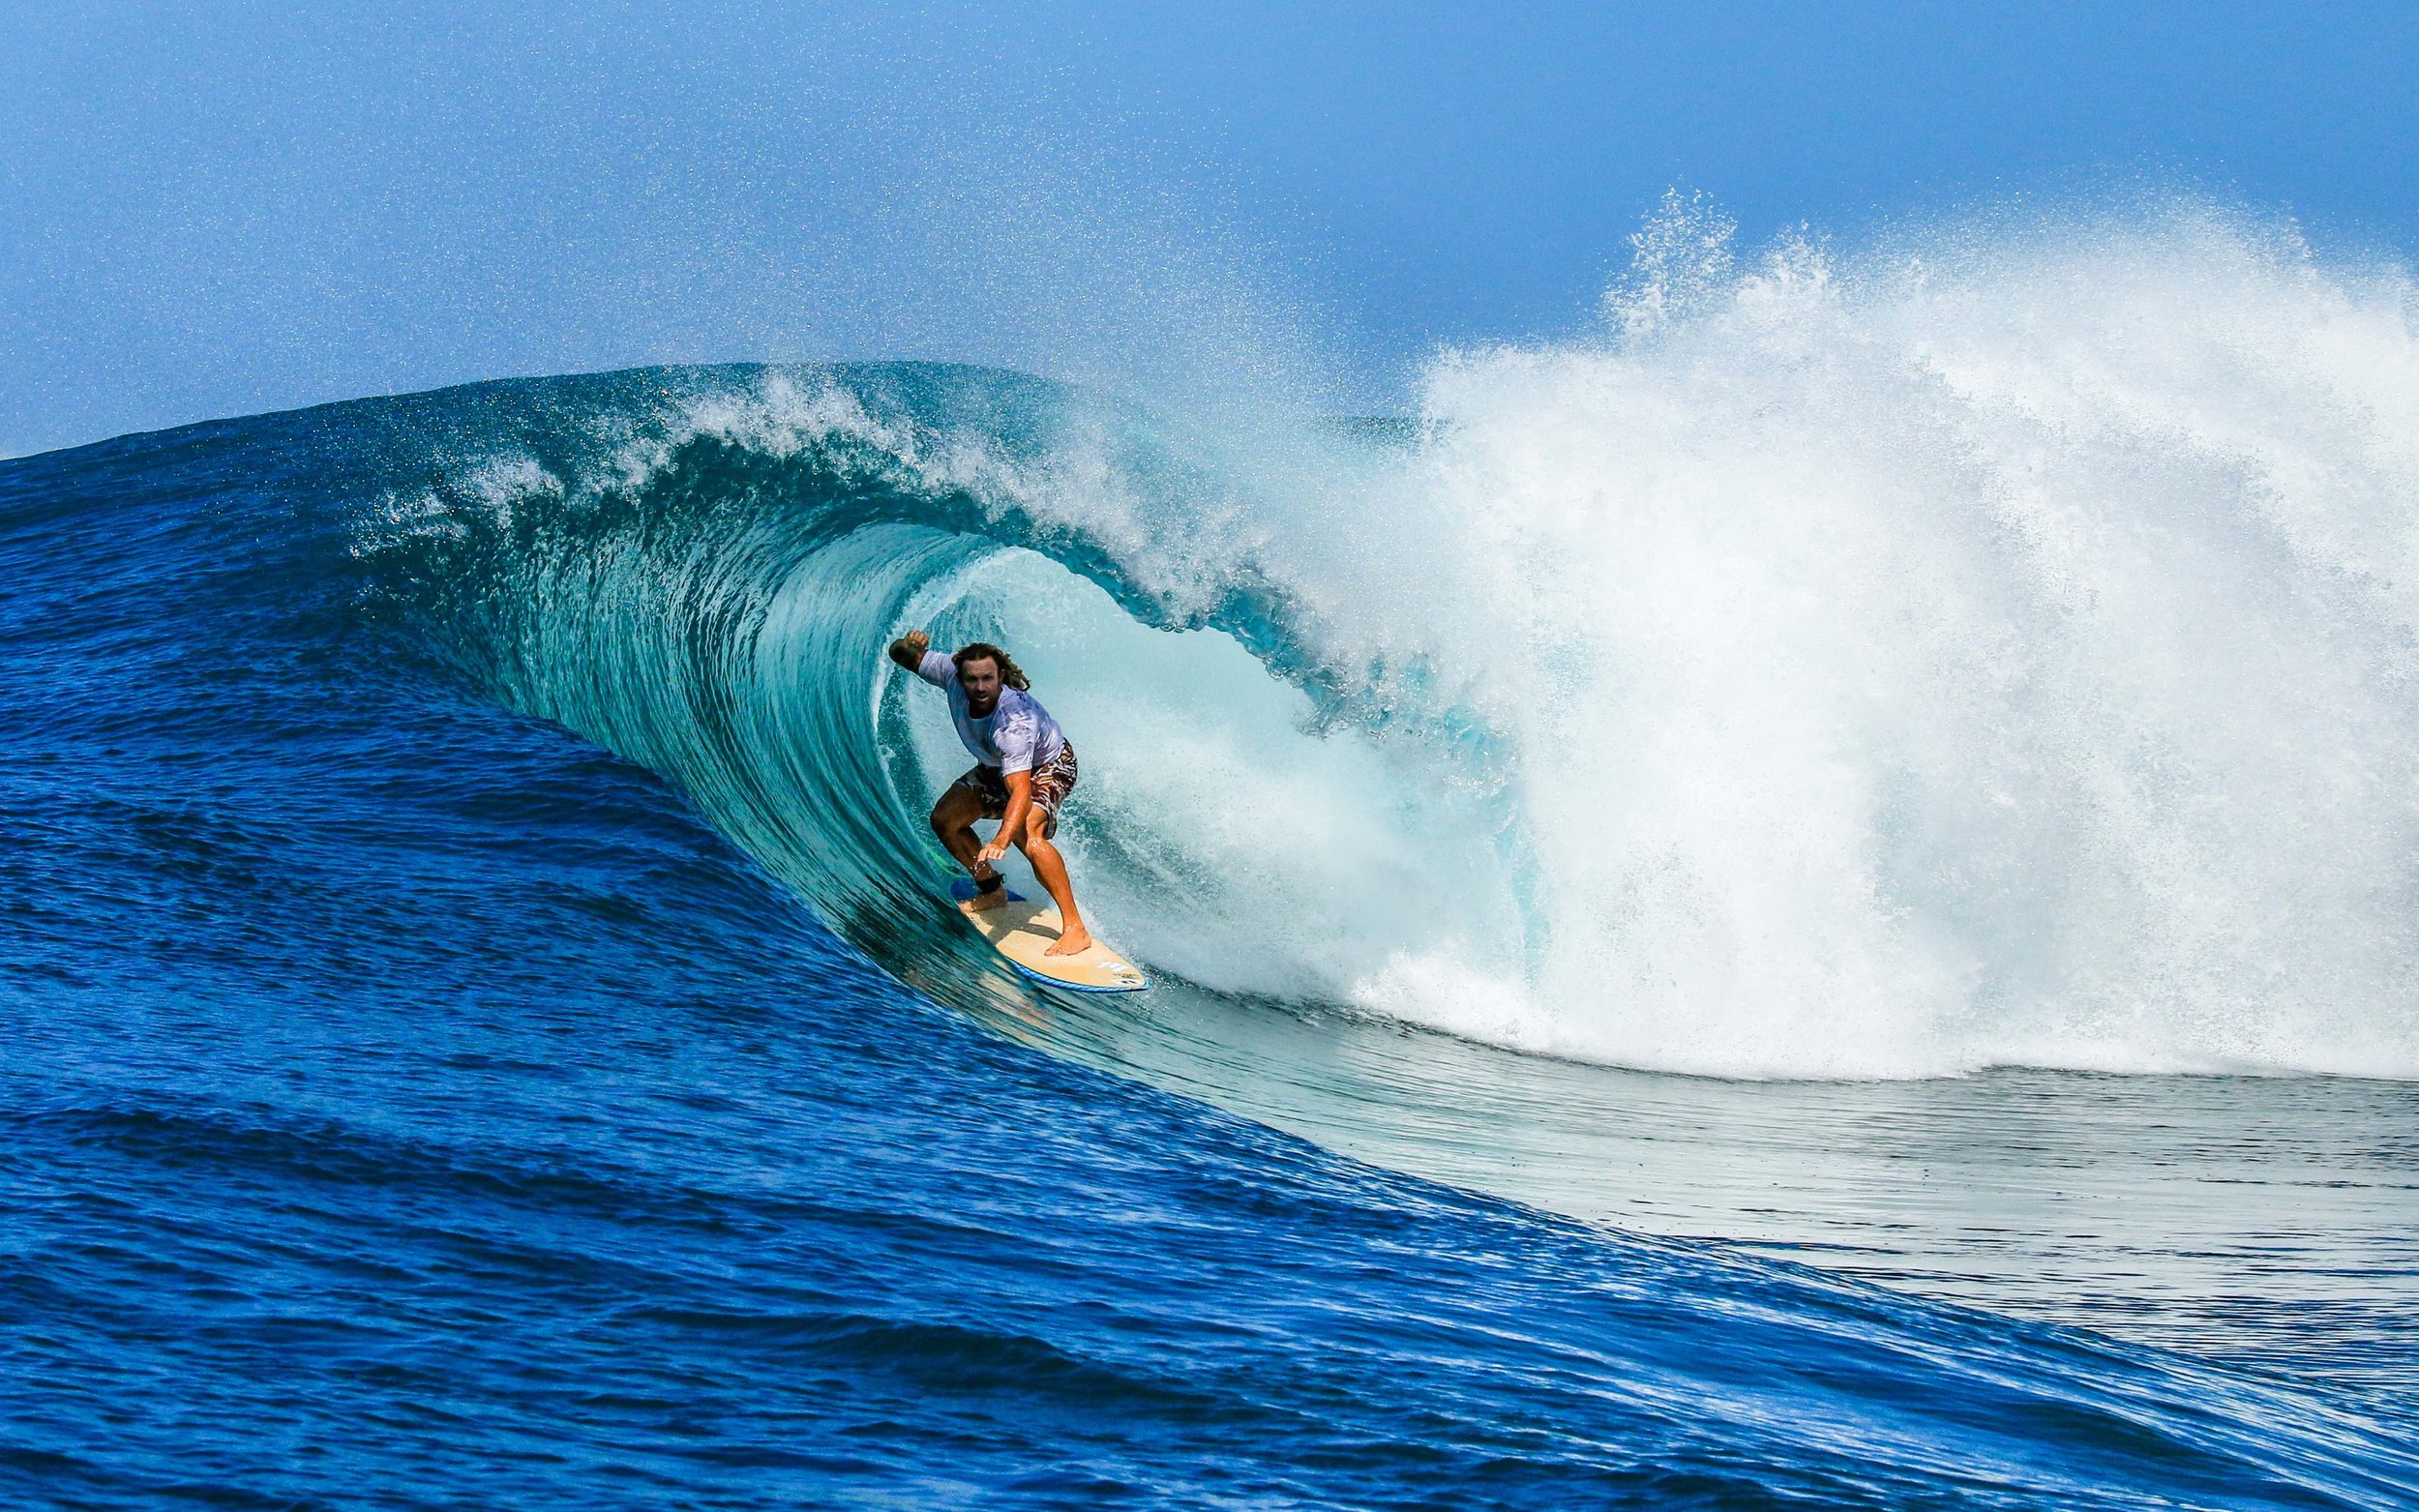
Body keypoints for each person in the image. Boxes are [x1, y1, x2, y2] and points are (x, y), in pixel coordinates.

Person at [887, 630, 1092, 956]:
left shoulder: (1014, 724)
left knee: (1029, 834)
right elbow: (900, 655)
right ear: (960, 675)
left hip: (1048, 766)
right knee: (945, 820)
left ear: (1001, 676)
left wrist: (1001, 839)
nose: (980, 688)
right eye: (972, 680)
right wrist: (909, 645)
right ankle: (991, 889)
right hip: (999, 766)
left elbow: (1021, 792)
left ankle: (1076, 929)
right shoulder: (949, 673)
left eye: (988, 679)